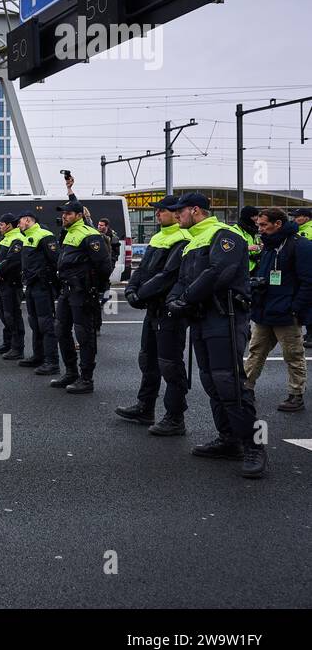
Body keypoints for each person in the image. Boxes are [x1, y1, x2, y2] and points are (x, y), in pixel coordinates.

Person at [163, 193, 266, 478]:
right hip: (201, 317)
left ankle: (255, 447)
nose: (177, 216)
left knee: (230, 383)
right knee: (211, 382)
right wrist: (174, 300)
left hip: (224, 317)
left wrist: (184, 298)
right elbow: (182, 279)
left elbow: (220, 271)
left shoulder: (225, 234)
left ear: (195, 210)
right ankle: (228, 439)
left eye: (180, 211)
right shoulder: (192, 241)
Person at [115, 199, 192, 432]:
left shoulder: (182, 239)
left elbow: (168, 276)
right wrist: (131, 289)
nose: (157, 213)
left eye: (162, 210)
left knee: (170, 364)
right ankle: (145, 407)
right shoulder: (159, 237)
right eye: (156, 210)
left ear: (176, 214)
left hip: (170, 310)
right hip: (153, 309)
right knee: (148, 359)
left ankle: (175, 417)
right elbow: (144, 270)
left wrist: (140, 295)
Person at [243, 207, 312, 413]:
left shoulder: (300, 246)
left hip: (286, 312)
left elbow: (308, 281)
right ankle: (246, 389)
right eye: (259, 225)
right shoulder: (270, 245)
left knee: (293, 355)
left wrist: (295, 308)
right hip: (264, 309)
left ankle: (296, 394)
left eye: (264, 225)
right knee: (256, 352)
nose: (260, 229)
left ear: (278, 224)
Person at [50, 200, 111, 394]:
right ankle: (70, 372)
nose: (64, 216)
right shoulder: (69, 233)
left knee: (84, 334)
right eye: (63, 213)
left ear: (78, 215)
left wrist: (94, 288)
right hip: (67, 291)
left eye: (68, 214)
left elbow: (104, 266)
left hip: (83, 292)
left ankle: (86, 378)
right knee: (60, 330)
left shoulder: (90, 235)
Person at [16, 212, 60, 376]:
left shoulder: (44, 235)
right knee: (35, 322)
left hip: (42, 285)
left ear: (27, 220)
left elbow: (56, 260)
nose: (18, 224)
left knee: (46, 324)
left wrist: (45, 277)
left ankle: (52, 362)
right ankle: (39, 356)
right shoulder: (28, 236)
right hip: (32, 286)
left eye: (20, 221)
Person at [0, 214, 26, 359]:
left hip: (12, 283)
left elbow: (11, 261)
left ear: (9, 225)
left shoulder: (17, 239)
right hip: (2, 282)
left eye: (1, 224)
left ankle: (18, 348)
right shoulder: (5, 239)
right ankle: (7, 343)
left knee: (13, 316)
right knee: (4, 315)